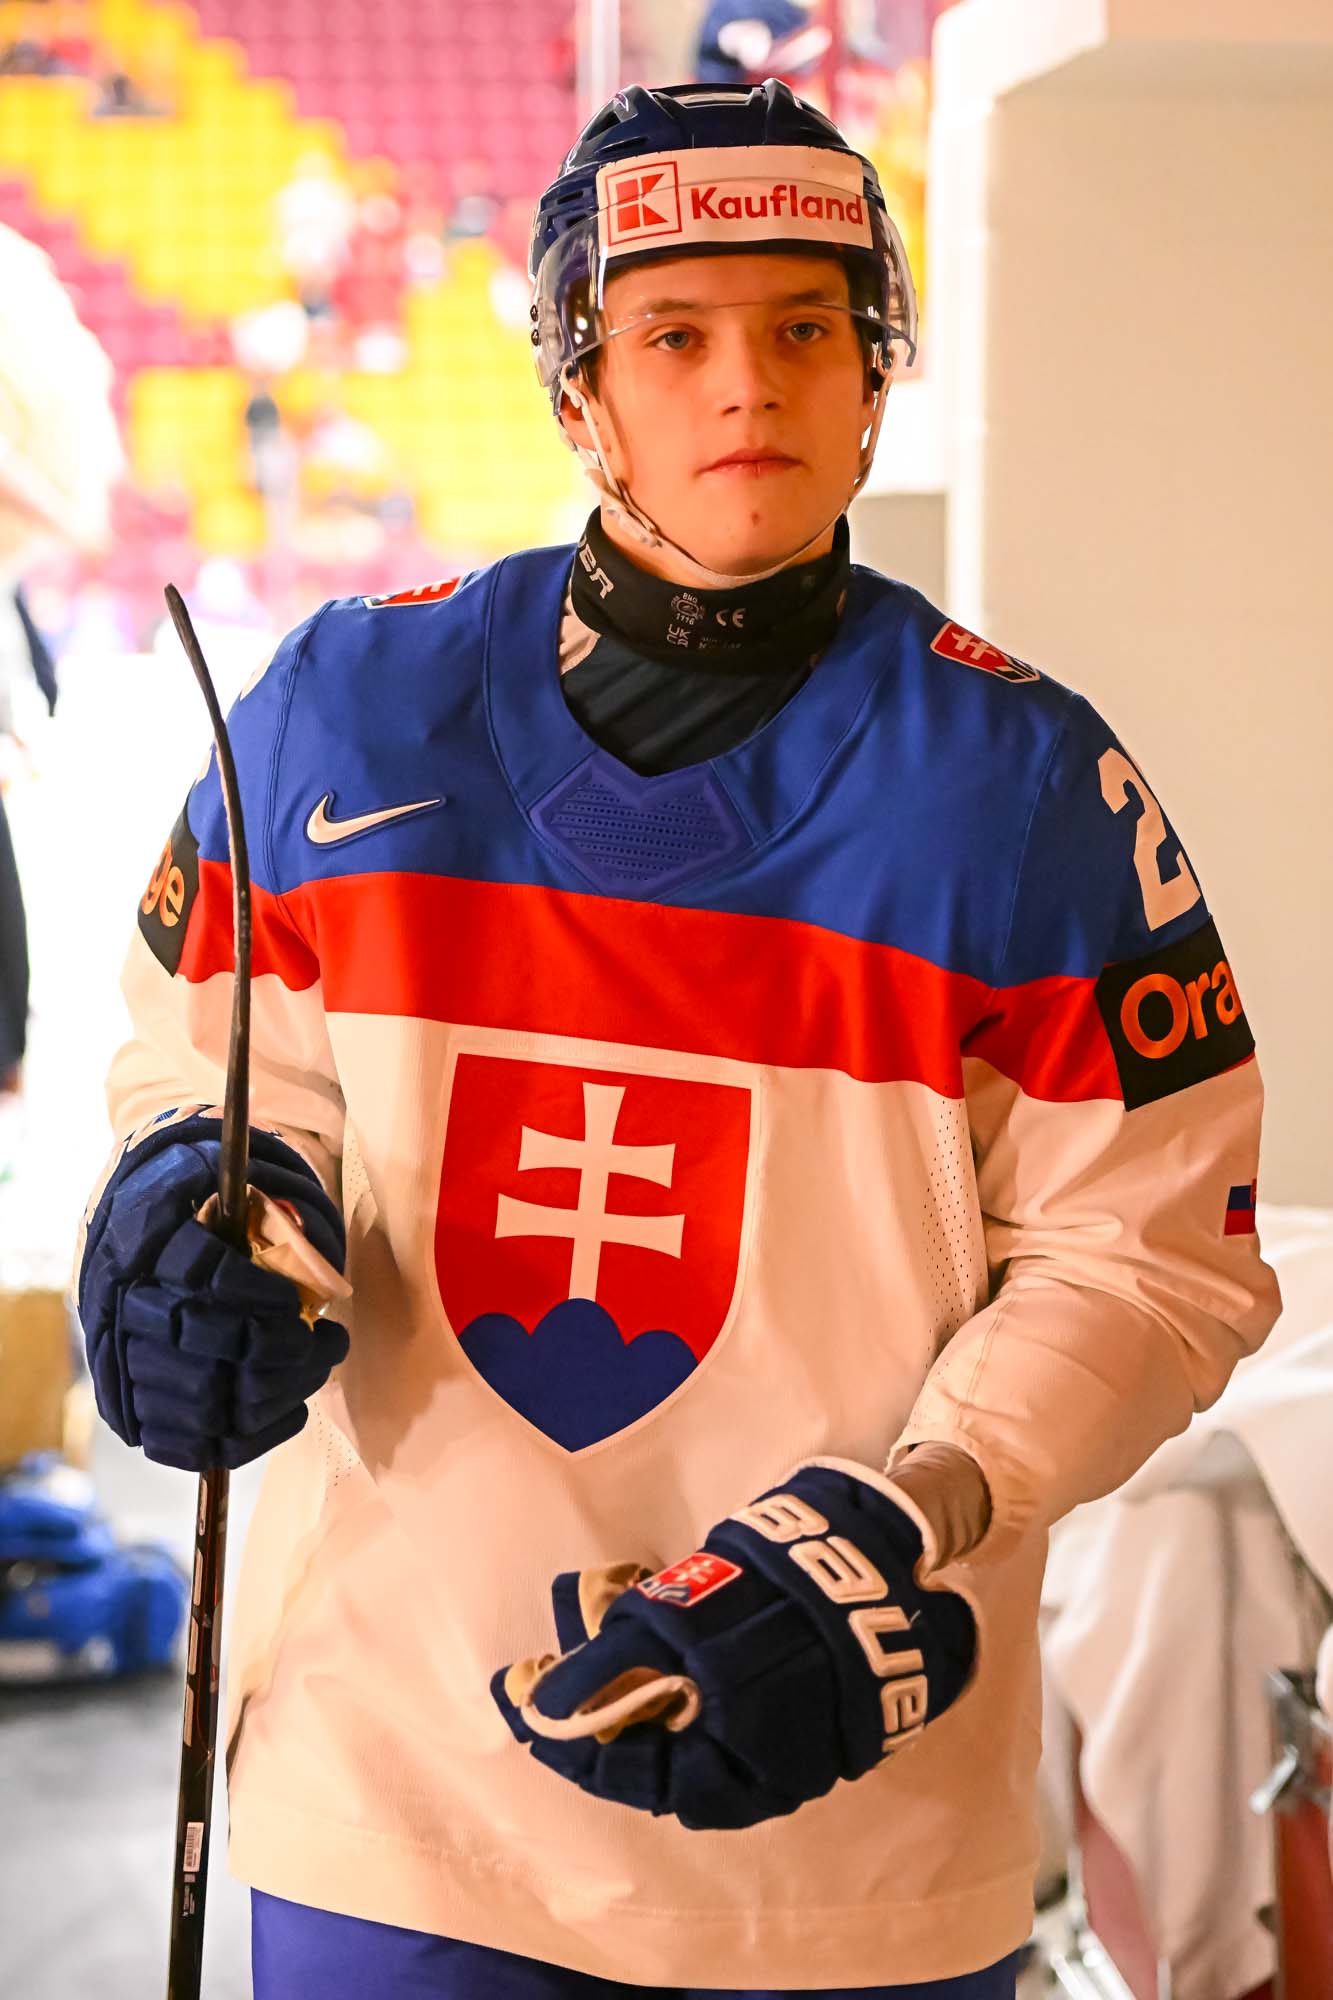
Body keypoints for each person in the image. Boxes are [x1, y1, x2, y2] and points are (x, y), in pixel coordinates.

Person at [75, 80, 1280, 2000]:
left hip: (852, 1817)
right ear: (578, 388)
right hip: (394, 1793)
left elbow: (1147, 1259)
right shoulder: (343, 708)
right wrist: (196, 1212)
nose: (748, 387)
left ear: (873, 372)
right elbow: (216, 1071)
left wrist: (908, 1513)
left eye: (804, 327)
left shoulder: (1030, 786)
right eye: (674, 337)